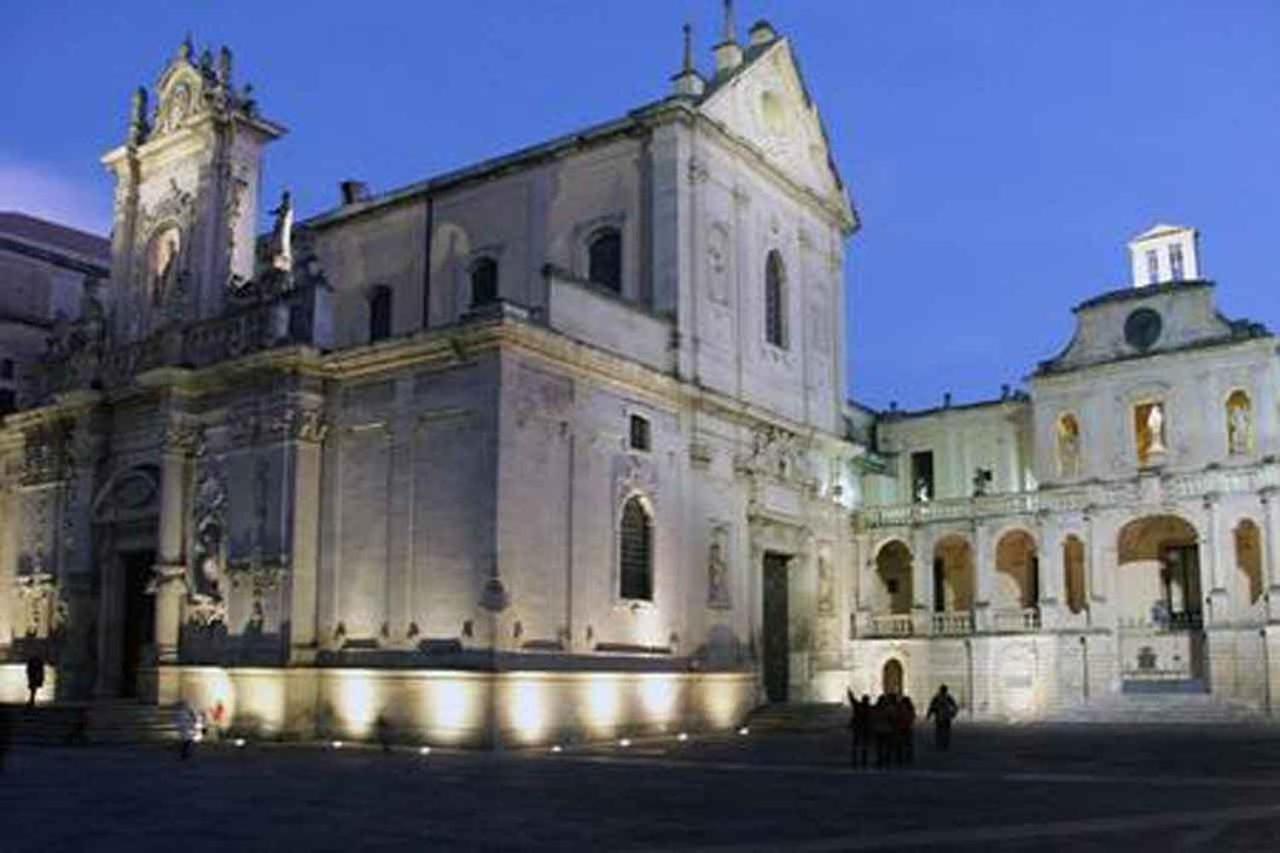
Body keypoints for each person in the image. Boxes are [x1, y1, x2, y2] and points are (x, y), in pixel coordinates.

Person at [926, 684, 959, 752]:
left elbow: (931, 707)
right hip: (945, 717)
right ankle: (944, 743)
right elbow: (955, 706)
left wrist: (928, 715)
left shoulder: (937, 697)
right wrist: (953, 714)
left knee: (940, 731)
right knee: (944, 731)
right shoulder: (947, 697)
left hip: (940, 717)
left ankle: (940, 743)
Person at [872, 694, 895, 769]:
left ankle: (880, 760)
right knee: (886, 746)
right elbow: (892, 719)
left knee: (880, 747)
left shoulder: (876, 709)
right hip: (887, 730)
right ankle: (886, 760)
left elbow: (873, 718)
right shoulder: (889, 708)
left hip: (879, 729)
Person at [897, 695, 917, 765]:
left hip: (901, 727)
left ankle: (900, 757)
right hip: (908, 727)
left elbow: (897, 717)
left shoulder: (899, 707)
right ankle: (908, 756)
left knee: (900, 743)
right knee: (908, 743)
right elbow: (913, 716)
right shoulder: (910, 708)